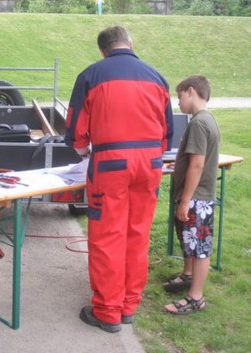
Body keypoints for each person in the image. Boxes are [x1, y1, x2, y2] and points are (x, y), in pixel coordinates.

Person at [65, 26, 173, 333]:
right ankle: (128, 306)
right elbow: (167, 134)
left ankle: (107, 311)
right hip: (150, 162)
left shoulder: (92, 75)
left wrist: (86, 151)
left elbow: (74, 133)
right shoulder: (157, 78)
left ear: (103, 50)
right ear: (130, 44)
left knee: (107, 236)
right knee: (137, 234)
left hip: (111, 164)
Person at [163, 75, 220, 315]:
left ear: (190, 91)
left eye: (179, 97)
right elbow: (193, 161)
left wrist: (185, 200)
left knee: (199, 249)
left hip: (196, 198)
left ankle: (195, 297)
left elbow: (197, 165)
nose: (178, 103)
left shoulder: (198, 123)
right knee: (192, 244)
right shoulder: (207, 119)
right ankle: (188, 277)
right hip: (198, 197)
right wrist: (177, 167)